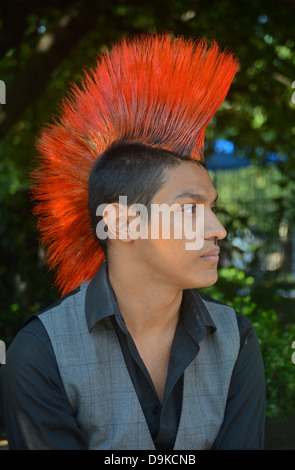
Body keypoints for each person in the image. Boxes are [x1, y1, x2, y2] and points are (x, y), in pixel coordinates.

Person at [0, 32, 265, 450]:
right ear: (122, 223)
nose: (218, 229)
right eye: (190, 209)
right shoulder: (40, 353)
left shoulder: (236, 340)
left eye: (213, 208)